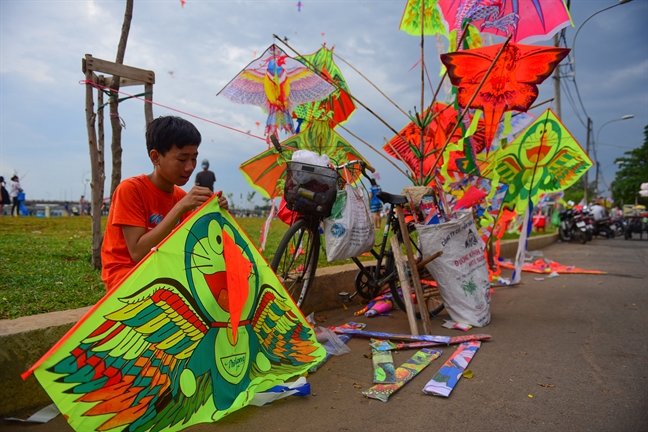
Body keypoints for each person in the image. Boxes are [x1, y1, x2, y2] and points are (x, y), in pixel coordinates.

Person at [101, 116, 228, 292]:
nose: (190, 167)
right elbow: (138, 253)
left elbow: (197, 250)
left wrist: (217, 215)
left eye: (194, 158)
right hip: (127, 279)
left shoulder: (181, 197)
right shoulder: (131, 190)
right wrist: (180, 208)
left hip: (164, 274)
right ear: (155, 157)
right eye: (182, 159)